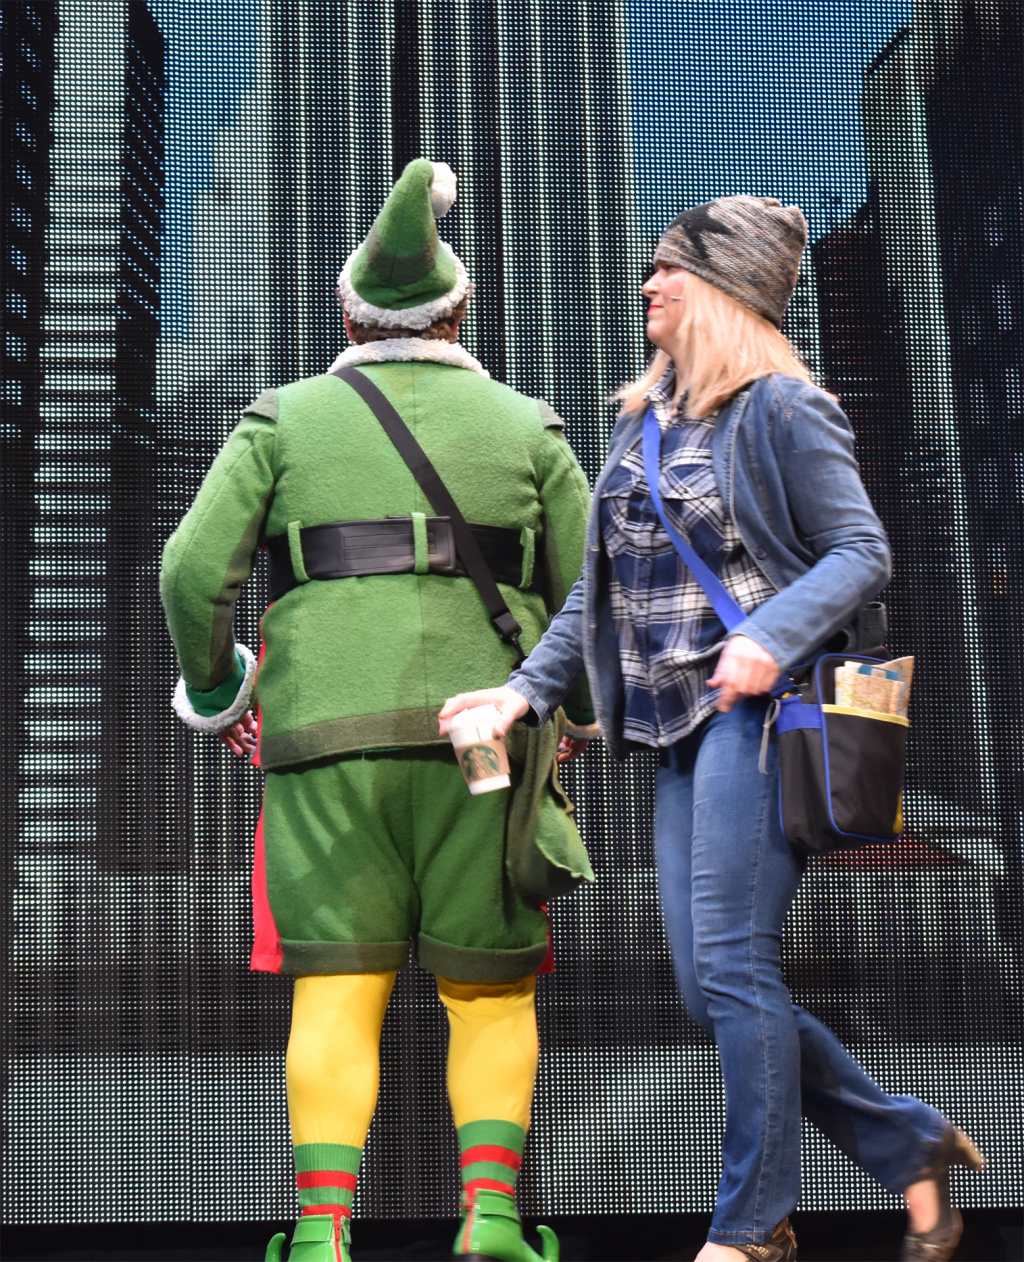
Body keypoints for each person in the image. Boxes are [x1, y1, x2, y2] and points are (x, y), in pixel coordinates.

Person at [440, 195, 984, 1262]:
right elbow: (594, 594)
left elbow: (861, 551)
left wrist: (770, 637)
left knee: (734, 964)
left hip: (762, 718)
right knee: (709, 987)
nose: (648, 284)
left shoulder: (784, 408)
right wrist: (520, 694)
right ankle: (908, 1142)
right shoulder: (641, 420)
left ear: (727, 288)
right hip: (677, 729)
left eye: (670, 270)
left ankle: (753, 1224)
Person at [161, 159, 596, 1262]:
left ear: (348, 318)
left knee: (336, 990)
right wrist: (576, 716)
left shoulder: (281, 418)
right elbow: (595, 593)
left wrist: (219, 692)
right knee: (488, 992)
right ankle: (492, 1218)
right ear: (458, 316)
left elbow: (189, 572)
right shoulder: (531, 427)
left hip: (321, 744)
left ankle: (320, 1233)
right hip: (487, 745)